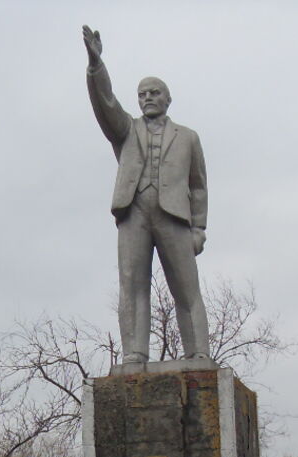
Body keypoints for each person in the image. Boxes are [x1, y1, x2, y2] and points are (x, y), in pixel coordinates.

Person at [83, 25, 210, 364]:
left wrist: (199, 228)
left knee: (186, 288)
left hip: (174, 216)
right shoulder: (126, 130)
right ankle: (135, 353)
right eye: (142, 94)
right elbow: (106, 104)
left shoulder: (188, 137)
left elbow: (198, 185)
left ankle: (198, 352)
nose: (148, 98)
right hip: (134, 213)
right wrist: (96, 66)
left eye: (154, 92)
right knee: (132, 285)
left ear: (167, 99)